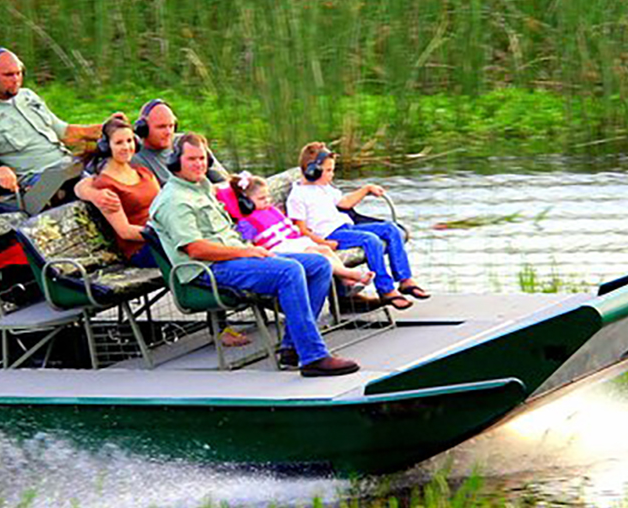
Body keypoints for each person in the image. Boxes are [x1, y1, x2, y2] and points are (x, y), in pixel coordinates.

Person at [148, 133, 360, 377]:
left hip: (235, 256)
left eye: (202, 158)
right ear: (176, 162)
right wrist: (246, 251)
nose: (199, 164)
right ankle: (313, 356)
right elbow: (196, 249)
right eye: (191, 159)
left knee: (319, 264)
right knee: (289, 271)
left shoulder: (202, 187)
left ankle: (293, 347)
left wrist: (251, 245)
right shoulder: (174, 200)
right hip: (208, 269)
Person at [0, 48, 118, 206]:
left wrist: (110, 129)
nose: (16, 79)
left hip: (68, 168)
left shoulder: (27, 96)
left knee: (120, 176)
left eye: (19, 73)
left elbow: (65, 133)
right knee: (98, 195)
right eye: (8, 75)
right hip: (37, 183)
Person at [286, 142, 429, 310]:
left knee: (391, 229)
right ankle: (386, 289)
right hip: (330, 234)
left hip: (346, 227)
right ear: (312, 170)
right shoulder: (297, 196)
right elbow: (300, 230)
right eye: (329, 171)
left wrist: (367, 189)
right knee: (370, 240)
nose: (332, 175)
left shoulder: (323, 187)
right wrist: (323, 243)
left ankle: (405, 280)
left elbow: (345, 203)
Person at [226, 172, 376, 300]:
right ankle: (352, 274)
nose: (267, 202)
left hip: (292, 242)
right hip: (278, 249)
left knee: (324, 249)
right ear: (245, 201)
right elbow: (247, 242)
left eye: (268, 198)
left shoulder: (271, 211)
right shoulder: (247, 222)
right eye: (261, 199)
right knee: (314, 254)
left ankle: (344, 279)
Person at [75, 97, 228, 212]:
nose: (168, 132)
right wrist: (92, 194)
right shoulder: (131, 156)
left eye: (171, 126)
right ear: (143, 129)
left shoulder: (186, 142)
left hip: (215, 205)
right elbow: (88, 178)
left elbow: (223, 179)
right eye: (161, 127)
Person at [79, 115, 161, 268]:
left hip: (164, 237)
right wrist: (163, 235)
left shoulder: (143, 172)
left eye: (129, 141)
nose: (126, 147)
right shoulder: (105, 185)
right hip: (142, 248)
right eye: (119, 143)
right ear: (106, 146)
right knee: (194, 253)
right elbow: (125, 231)